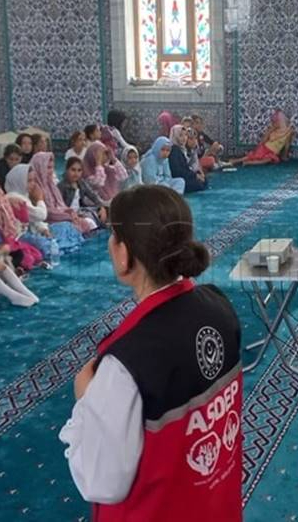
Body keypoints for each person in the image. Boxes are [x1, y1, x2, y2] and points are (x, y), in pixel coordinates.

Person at [59, 185, 241, 519]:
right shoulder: (219, 305)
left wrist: (85, 401)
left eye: (113, 237)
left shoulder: (126, 363)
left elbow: (103, 483)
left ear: (125, 254)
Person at [0, 167, 65, 262]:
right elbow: (41, 215)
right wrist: (40, 199)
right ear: (19, 181)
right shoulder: (15, 197)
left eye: (34, 180)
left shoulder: (23, 195)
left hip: (31, 232)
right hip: (20, 236)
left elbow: (34, 219)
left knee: (64, 227)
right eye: (29, 181)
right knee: (48, 245)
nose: (33, 184)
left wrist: (43, 229)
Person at [0, 178, 43, 271]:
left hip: (14, 237)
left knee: (34, 252)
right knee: (25, 256)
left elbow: (23, 220)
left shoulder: (5, 203)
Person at [31, 152, 96, 234]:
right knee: (75, 227)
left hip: (62, 216)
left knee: (88, 222)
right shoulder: (35, 188)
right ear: (39, 168)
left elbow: (62, 205)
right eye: (47, 167)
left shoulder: (51, 185)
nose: (50, 171)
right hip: (49, 222)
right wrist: (68, 216)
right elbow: (46, 213)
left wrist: (71, 213)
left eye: (52, 167)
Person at [59, 158, 108, 227]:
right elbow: (60, 206)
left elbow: (93, 196)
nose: (76, 173)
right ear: (67, 170)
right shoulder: (61, 186)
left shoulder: (81, 183)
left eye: (79, 170)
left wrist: (102, 207)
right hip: (68, 215)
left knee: (104, 212)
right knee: (91, 223)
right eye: (73, 170)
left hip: (80, 211)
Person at [168, 125, 208, 194]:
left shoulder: (181, 149)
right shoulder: (174, 150)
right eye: (181, 135)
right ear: (175, 136)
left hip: (186, 175)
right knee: (198, 185)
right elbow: (177, 171)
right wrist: (194, 175)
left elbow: (188, 167)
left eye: (185, 135)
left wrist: (196, 174)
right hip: (178, 178)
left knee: (204, 181)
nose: (184, 138)